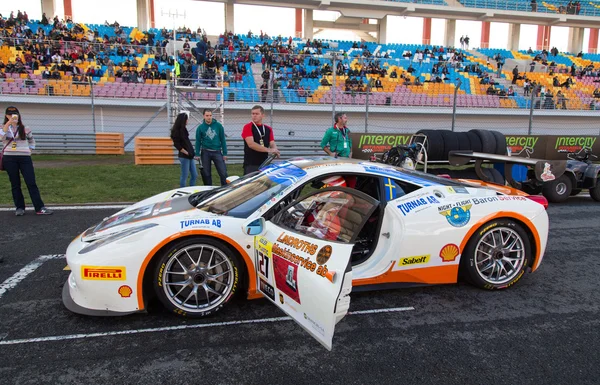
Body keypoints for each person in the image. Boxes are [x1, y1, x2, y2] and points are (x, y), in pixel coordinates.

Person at [1, 106, 52, 216]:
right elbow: (1, 137)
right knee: (15, 183)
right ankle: (19, 207)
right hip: (9, 158)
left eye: (15, 114)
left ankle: (39, 207)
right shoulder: (3, 127)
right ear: (6, 116)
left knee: (31, 182)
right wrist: (8, 123)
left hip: (24, 158)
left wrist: (30, 150)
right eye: (10, 115)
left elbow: (32, 141)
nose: (13, 116)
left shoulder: (25, 128)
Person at [241, 105, 279, 175]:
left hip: (265, 163)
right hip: (251, 163)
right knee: (251, 185)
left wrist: (275, 149)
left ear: (262, 115)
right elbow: (251, 144)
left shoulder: (268, 129)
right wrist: (269, 150)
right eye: (253, 114)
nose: (254, 116)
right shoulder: (247, 127)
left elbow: (272, 143)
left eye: (257, 114)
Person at [195, 109, 228, 186]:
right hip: (205, 152)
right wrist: (197, 153)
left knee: (223, 172)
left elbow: (223, 140)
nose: (209, 117)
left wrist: (225, 153)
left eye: (210, 115)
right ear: (204, 116)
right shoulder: (200, 128)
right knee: (206, 174)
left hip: (217, 151)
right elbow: (198, 141)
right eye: (207, 116)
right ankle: (208, 189)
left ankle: (225, 188)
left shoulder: (219, 126)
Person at [170, 112, 197, 187]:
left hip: (190, 155)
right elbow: (177, 145)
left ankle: (192, 188)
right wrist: (186, 153)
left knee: (194, 175)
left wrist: (192, 154)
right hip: (184, 156)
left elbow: (187, 143)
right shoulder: (176, 132)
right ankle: (182, 189)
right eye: (187, 119)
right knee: (184, 175)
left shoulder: (184, 130)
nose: (187, 121)